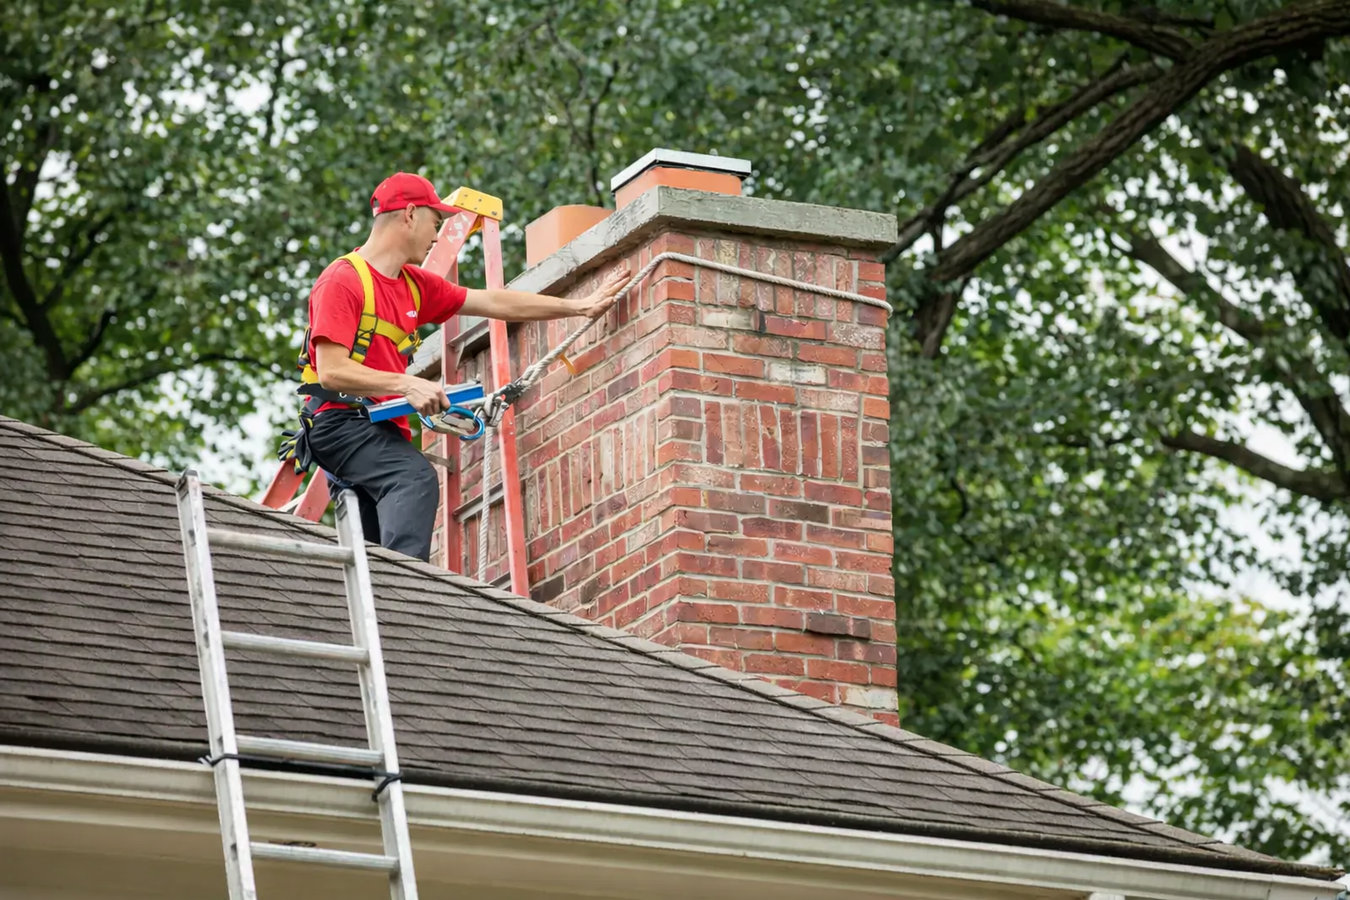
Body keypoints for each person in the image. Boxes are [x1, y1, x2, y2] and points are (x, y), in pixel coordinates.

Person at [292, 172, 630, 562]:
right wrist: (407, 385)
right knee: (413, 478)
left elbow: (496, 303)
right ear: (410, 215)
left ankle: (385, 612)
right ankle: (409, 595)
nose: (437, 236)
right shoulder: (342, 280)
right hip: (339, 424)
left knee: (370, 554)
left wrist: (579, 306)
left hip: (379, 429)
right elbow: (332, 371)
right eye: (435, 223)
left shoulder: (415, 286)